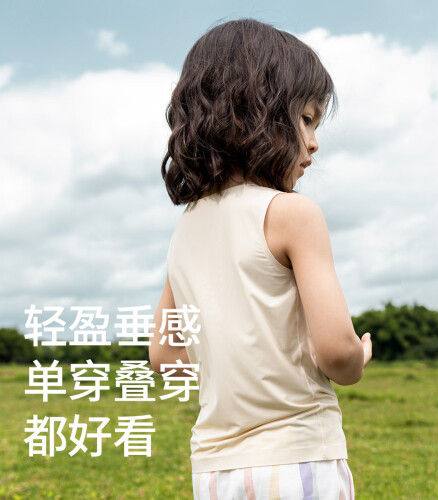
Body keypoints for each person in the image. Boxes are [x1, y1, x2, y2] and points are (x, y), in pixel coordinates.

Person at [149, 18, 373, 499]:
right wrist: (359, 357)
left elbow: (164, 356)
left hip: (215, 471)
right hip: (299, 459)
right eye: (307, 119)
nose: (314, 142)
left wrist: (232, 367)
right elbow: (336, 353)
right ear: (255, 114)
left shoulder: (186, 227)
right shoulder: (292, 214)